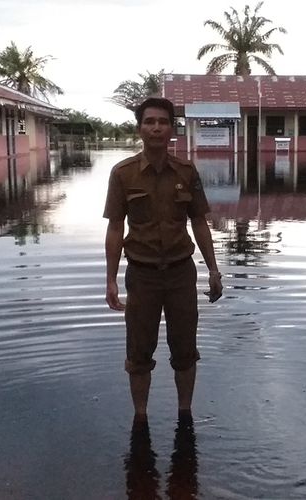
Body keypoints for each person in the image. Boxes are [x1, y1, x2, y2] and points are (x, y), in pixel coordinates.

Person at [104, 97, 223, 422]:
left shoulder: (186, 172)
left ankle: (185, 416)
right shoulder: (123, 174)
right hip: (141, 277)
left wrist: (213, 270)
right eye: (149, 122)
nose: (156, 128)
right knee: (139, 354)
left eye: (162, 122)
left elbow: (199, 222)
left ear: (172, 128)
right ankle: (140, 419)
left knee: (185, 351)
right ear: (140, 128)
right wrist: (111, 279)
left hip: (181, 274)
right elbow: (116, 228)